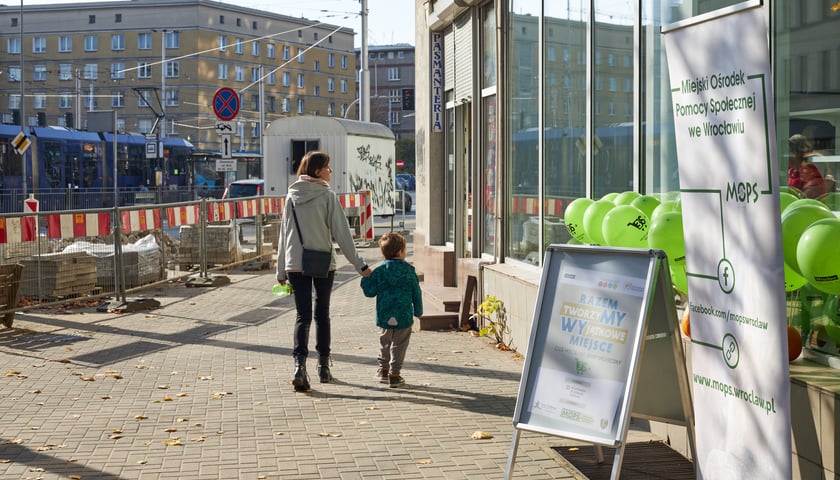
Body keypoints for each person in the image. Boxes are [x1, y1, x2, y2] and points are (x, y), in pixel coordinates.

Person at [276, 150, 372, 392]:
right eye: (328, 167)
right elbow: (342, 234)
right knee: (322, 315)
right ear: (318, 171)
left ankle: (299, 367)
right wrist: (359, 264)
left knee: (302, 316)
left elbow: (283, 235)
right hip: (322, 263)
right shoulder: (328, 196)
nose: (331, 170)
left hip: (294, 264)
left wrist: (280, 269)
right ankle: (323, 366)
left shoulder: (291, 197)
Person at [360, 232, 423, 388]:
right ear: (400, 252)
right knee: (400, 344)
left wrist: (365, 277)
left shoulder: (379, 271)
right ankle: (395, 374)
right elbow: (416, 291)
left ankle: (383, 369)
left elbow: (370, 292)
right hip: (404, 314)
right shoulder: (409, 270)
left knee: (385, 342)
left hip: (384, 313)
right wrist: (418, 311)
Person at [788, 134, 826, 198]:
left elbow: (807, 200)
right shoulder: (791, 171)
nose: (784, 156)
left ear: (795, 153)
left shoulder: (810, 172)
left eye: (788, 152)